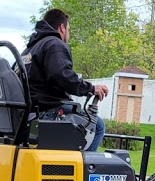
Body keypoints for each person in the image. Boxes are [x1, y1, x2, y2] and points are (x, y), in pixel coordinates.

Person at [21, 8, 109, 151]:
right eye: (69, 30)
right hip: (47, 110)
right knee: (97, 125)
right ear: (62, 28)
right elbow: (62, 76)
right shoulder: (55, 44)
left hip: (29, 111)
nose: (69, 35)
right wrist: (91, 88)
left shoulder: (29, 49)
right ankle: (83, 171)